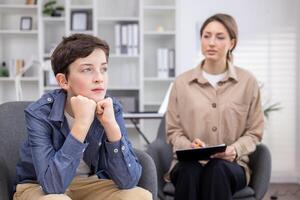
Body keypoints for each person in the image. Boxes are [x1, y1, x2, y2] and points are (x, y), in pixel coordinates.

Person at [14, 34, 152, 200]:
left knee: (139, 196)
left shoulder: (111, 108)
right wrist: (82, 124)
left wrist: (111, 127)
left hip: (91, 184)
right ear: (63, 81)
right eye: (87, 69)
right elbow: (52, 186)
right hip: (39, 186)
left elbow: (128, 181)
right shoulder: (39, 113)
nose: (99, 78)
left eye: (104, 69)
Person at [166, 13, 264, 200]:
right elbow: (173, 131)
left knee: (217, 169)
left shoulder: (247, 82)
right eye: (206, 36)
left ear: (232, 43)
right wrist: (189, 147)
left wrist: (234, 149)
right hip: (189, 162)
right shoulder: (182, 83)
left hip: (232, 165)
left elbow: (255, 132)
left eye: (220, 37)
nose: (211, 42)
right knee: (189, 171)